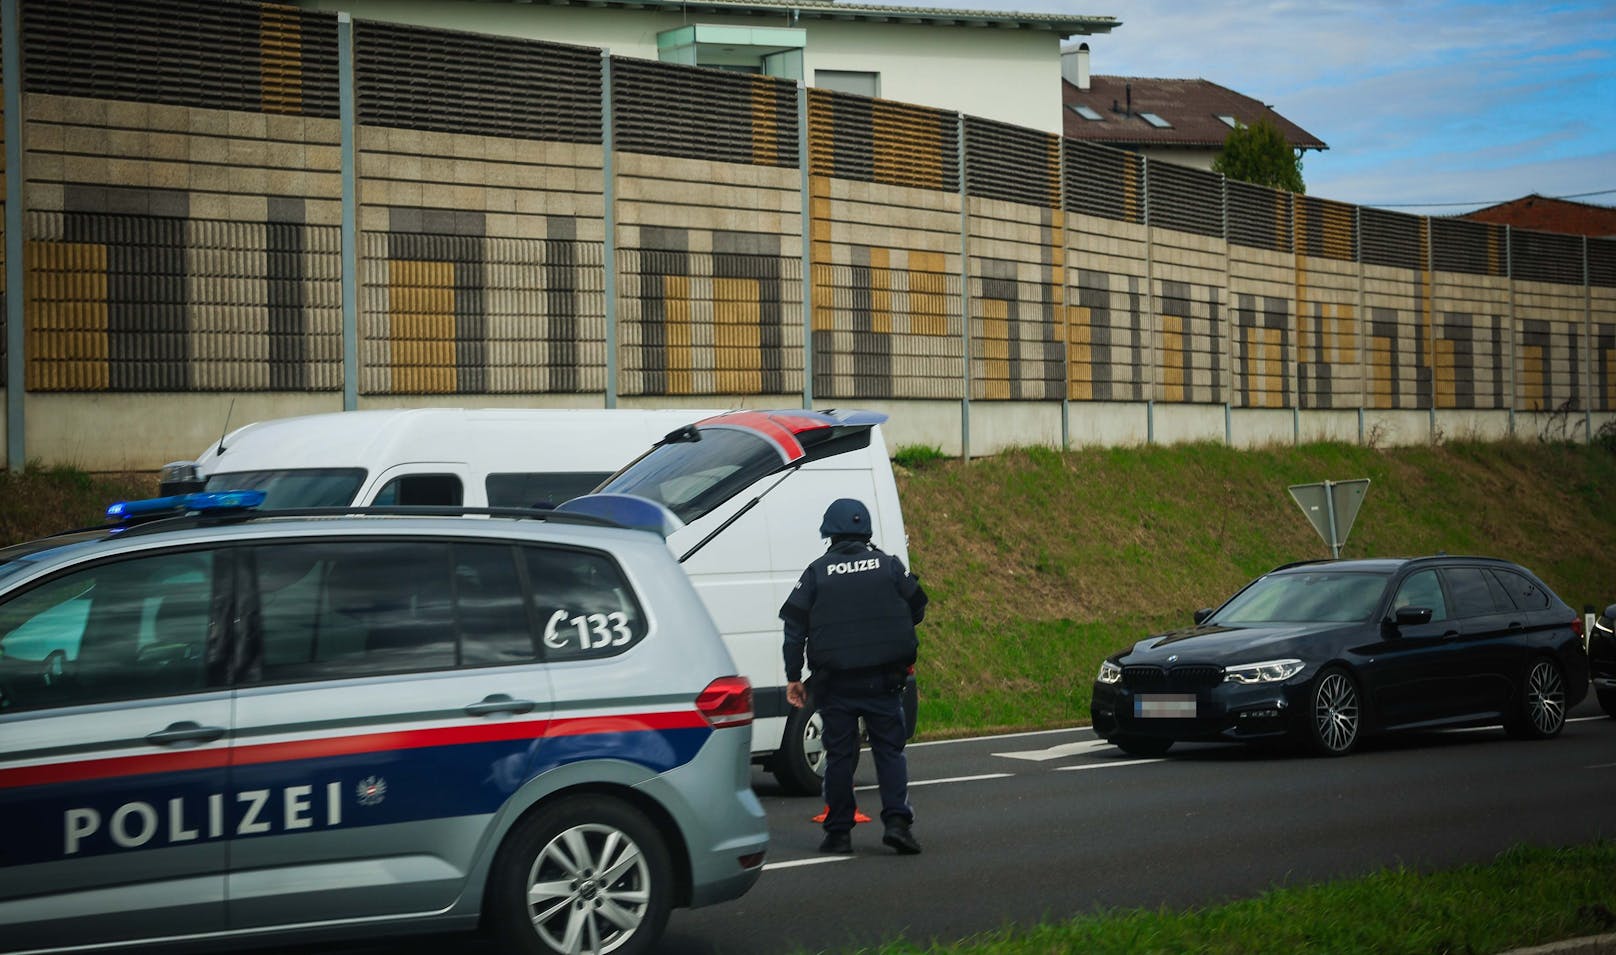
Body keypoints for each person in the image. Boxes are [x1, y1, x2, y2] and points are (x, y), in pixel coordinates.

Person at [781, 498, 928, 855]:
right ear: (866, 531)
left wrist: (794, 676)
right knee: (889, 753)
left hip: (837, 685)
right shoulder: (889, 566)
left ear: (829, 533)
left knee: (840, 757)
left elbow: (794, 628)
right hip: (884, 681)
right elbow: (918, 606)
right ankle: (897, 825)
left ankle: (839, 833)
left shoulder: (816, 572)